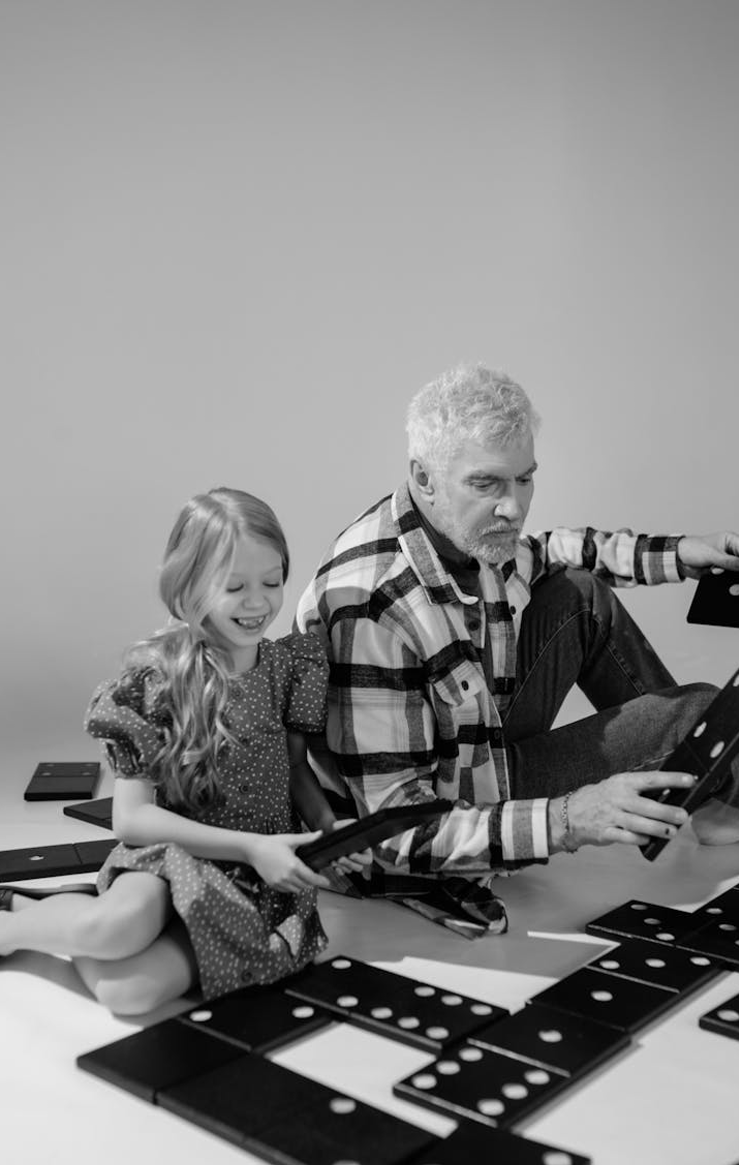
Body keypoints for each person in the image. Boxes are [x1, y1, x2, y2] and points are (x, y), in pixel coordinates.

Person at [295, 363, 739, 932]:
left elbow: (551, 550)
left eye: (524, 479)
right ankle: (712, 780)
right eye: (487, 484)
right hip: (446, 802)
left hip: (471, 737)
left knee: (579, 594)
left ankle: (706, 789)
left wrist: (682, 553)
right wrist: (568, 819)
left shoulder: (463, 527)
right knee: (701, 711)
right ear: (424, 477)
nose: (514, 506)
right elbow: (395, 828)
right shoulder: (371, 609)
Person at [0, 488, 360, 1011]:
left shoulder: (290, 669)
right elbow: (131, 822)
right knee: (114, 929)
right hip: (173, 856)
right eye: (234, 587)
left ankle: (55, 917)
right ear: (189, 587)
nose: (258, 602)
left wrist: (329, 834)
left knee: (127, 993)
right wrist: (247, 846)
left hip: (258, 878)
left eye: (272, 582)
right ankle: (0, 926)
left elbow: (294, 768)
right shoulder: (159, 682)